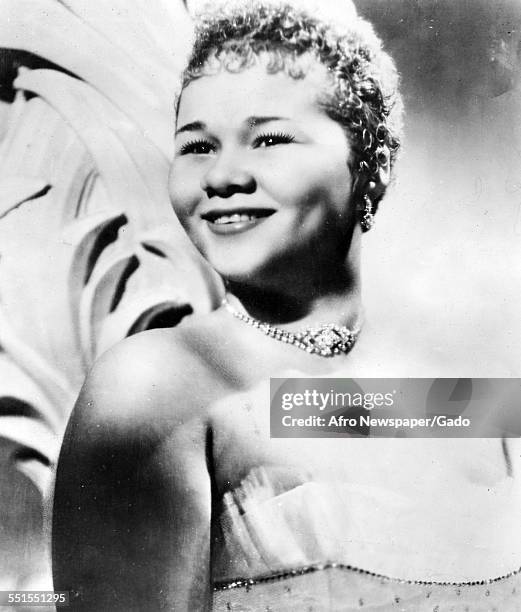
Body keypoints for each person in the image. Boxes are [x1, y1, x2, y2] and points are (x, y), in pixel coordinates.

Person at [52, 2, 521, 610]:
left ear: (371, 164)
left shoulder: (464, 386)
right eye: (195, 147)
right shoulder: (152, 384)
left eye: (268, 138)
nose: (222, 176)